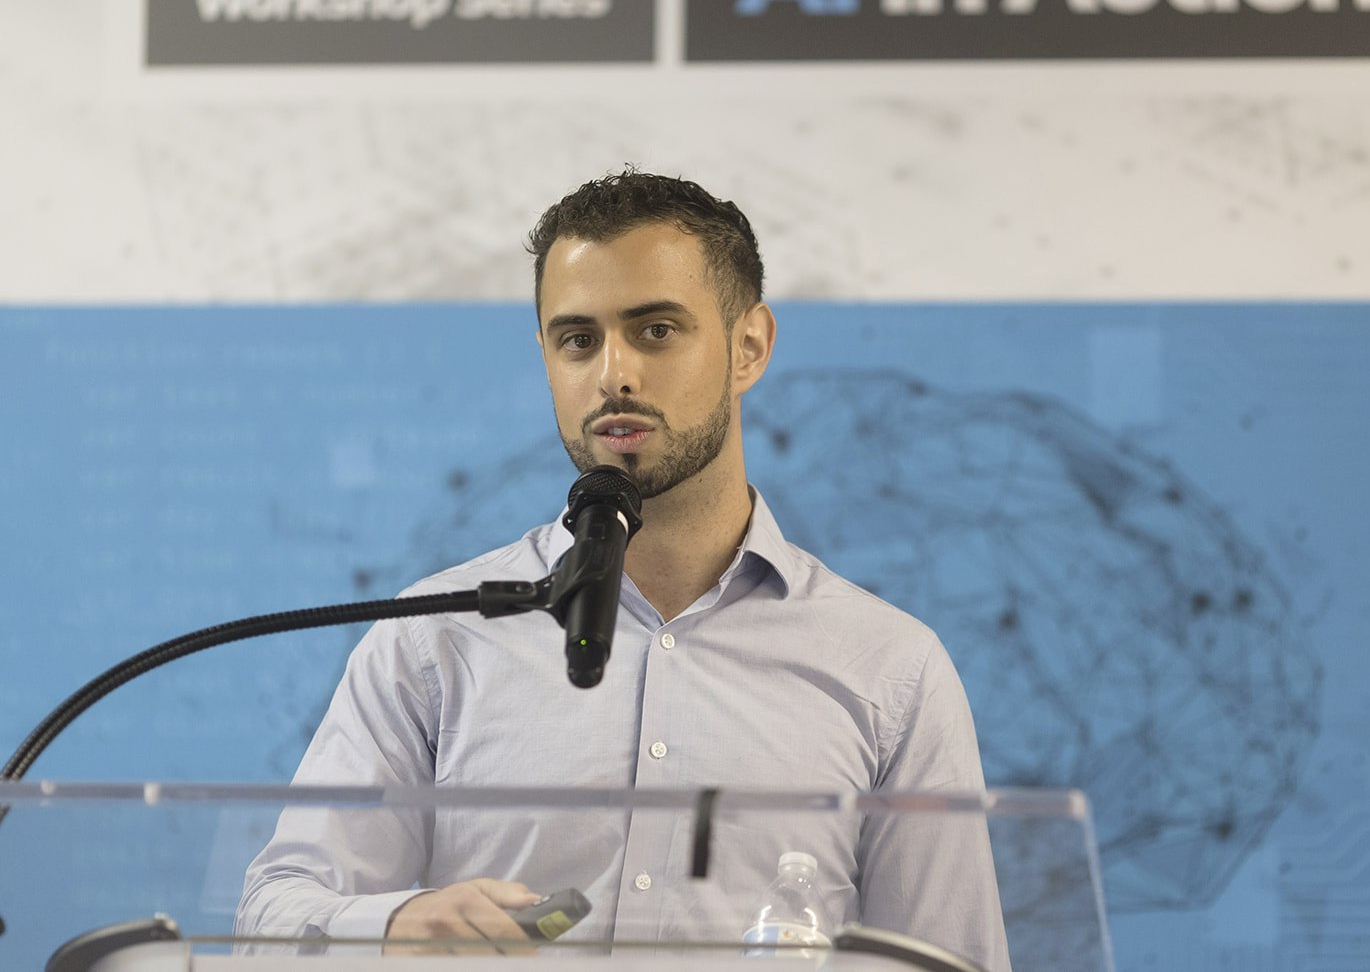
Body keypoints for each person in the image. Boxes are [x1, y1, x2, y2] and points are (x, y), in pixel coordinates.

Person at [235, 170, 1011, 969]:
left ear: (749, 346)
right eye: (578, 339)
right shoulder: (436, 635)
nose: (614, 375)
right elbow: (273, 917)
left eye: (656, 330)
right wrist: (401, 924)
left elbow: (951, 959)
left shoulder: (890, 669)